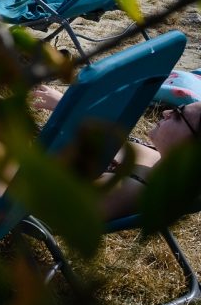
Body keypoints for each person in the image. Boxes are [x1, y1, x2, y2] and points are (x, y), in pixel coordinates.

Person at [32, 86, 200, 220]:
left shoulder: (126, 191)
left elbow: (48, 209)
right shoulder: (161, 161)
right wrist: (73, 111)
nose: (166, 112)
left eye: (178, 115)